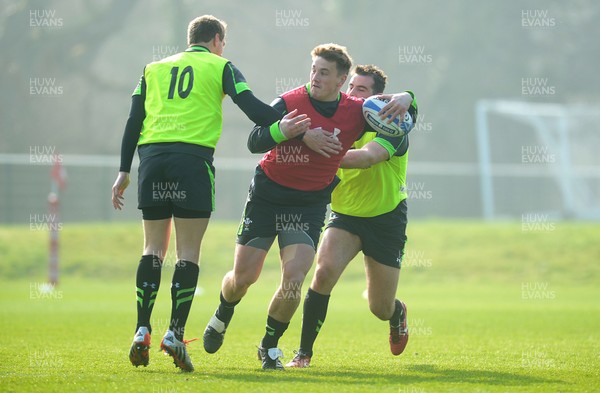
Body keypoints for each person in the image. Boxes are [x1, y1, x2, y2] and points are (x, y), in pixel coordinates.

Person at [111, 15, 310, 372]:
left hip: (151, 160)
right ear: (217, 39)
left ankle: (142, 328)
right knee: (188, 253)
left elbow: (133, 121)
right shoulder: (222, 67)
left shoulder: (152, 68)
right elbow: (256, 112)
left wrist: (124, 171)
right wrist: (290, 126)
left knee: (152, 249)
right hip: (192, 161)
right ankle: (174, 334)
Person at [202, 44, 415, 370]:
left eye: (325, 72)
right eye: (314, 70)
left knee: (295, 278)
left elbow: (401, 119)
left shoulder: (357, 112)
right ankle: (223, 312)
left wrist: (407, 96)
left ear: (340, 79)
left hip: (310, 204)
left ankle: (270, 347)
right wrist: (285, 131)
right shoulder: (289, 102)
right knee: (244, 277)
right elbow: (254, 140)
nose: (315, 77)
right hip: (268, 196)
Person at [285, 65, 418, 368]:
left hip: (386, 218)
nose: (353, 94)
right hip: (345, 215)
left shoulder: (394, 124)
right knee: (323, 274)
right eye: (351, 87)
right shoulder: (342, 120)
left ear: (378, 96)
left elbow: (367, 158)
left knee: (379, 307)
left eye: (362, 89)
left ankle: (397, 313)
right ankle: (303, 354)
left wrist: (317, 153)